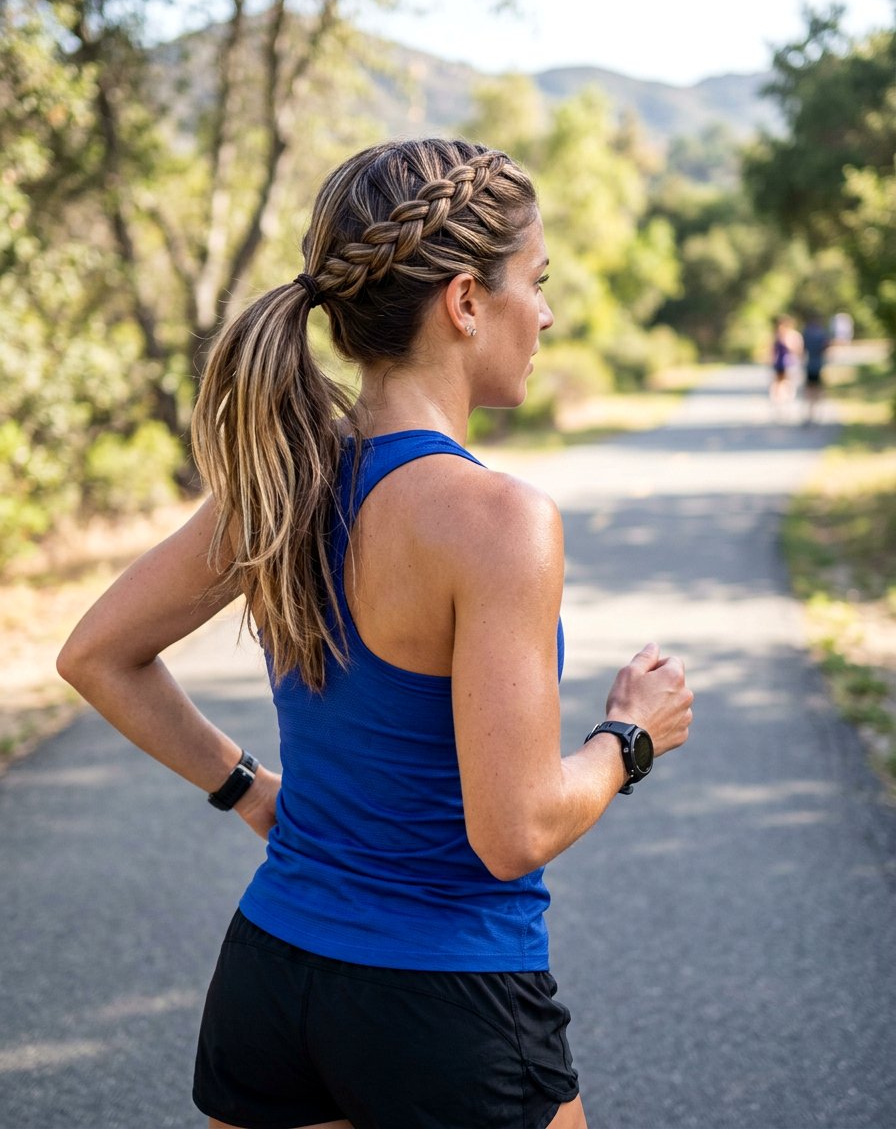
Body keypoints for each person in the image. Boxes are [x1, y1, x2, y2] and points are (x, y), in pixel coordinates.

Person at [57, 138, 693, 1129]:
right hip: (444, 1002)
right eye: (537, 279)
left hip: (270, 981)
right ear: (465, 303)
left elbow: (95, 655)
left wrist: (245, 790)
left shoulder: (282, 487)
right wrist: (629, 738)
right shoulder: (498, 522)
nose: (548, 311)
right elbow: (513, 830)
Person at [801, 313, 831, 423]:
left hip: (810, 365)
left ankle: (810, 413)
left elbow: (803, 349)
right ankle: (818, 412)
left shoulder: (807, 332)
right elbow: (826, 347)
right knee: (818, 389)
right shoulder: (822, 333)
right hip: (819, 364)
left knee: (809, 390)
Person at [769, 313, 800, 415]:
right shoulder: (776, 335)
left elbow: (798, 349)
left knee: (788, 383)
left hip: (790, 363)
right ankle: (778, 404)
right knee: (777, 384)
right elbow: (772, 350)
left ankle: (787, 402)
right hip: (779, 363)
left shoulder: (793, 335)